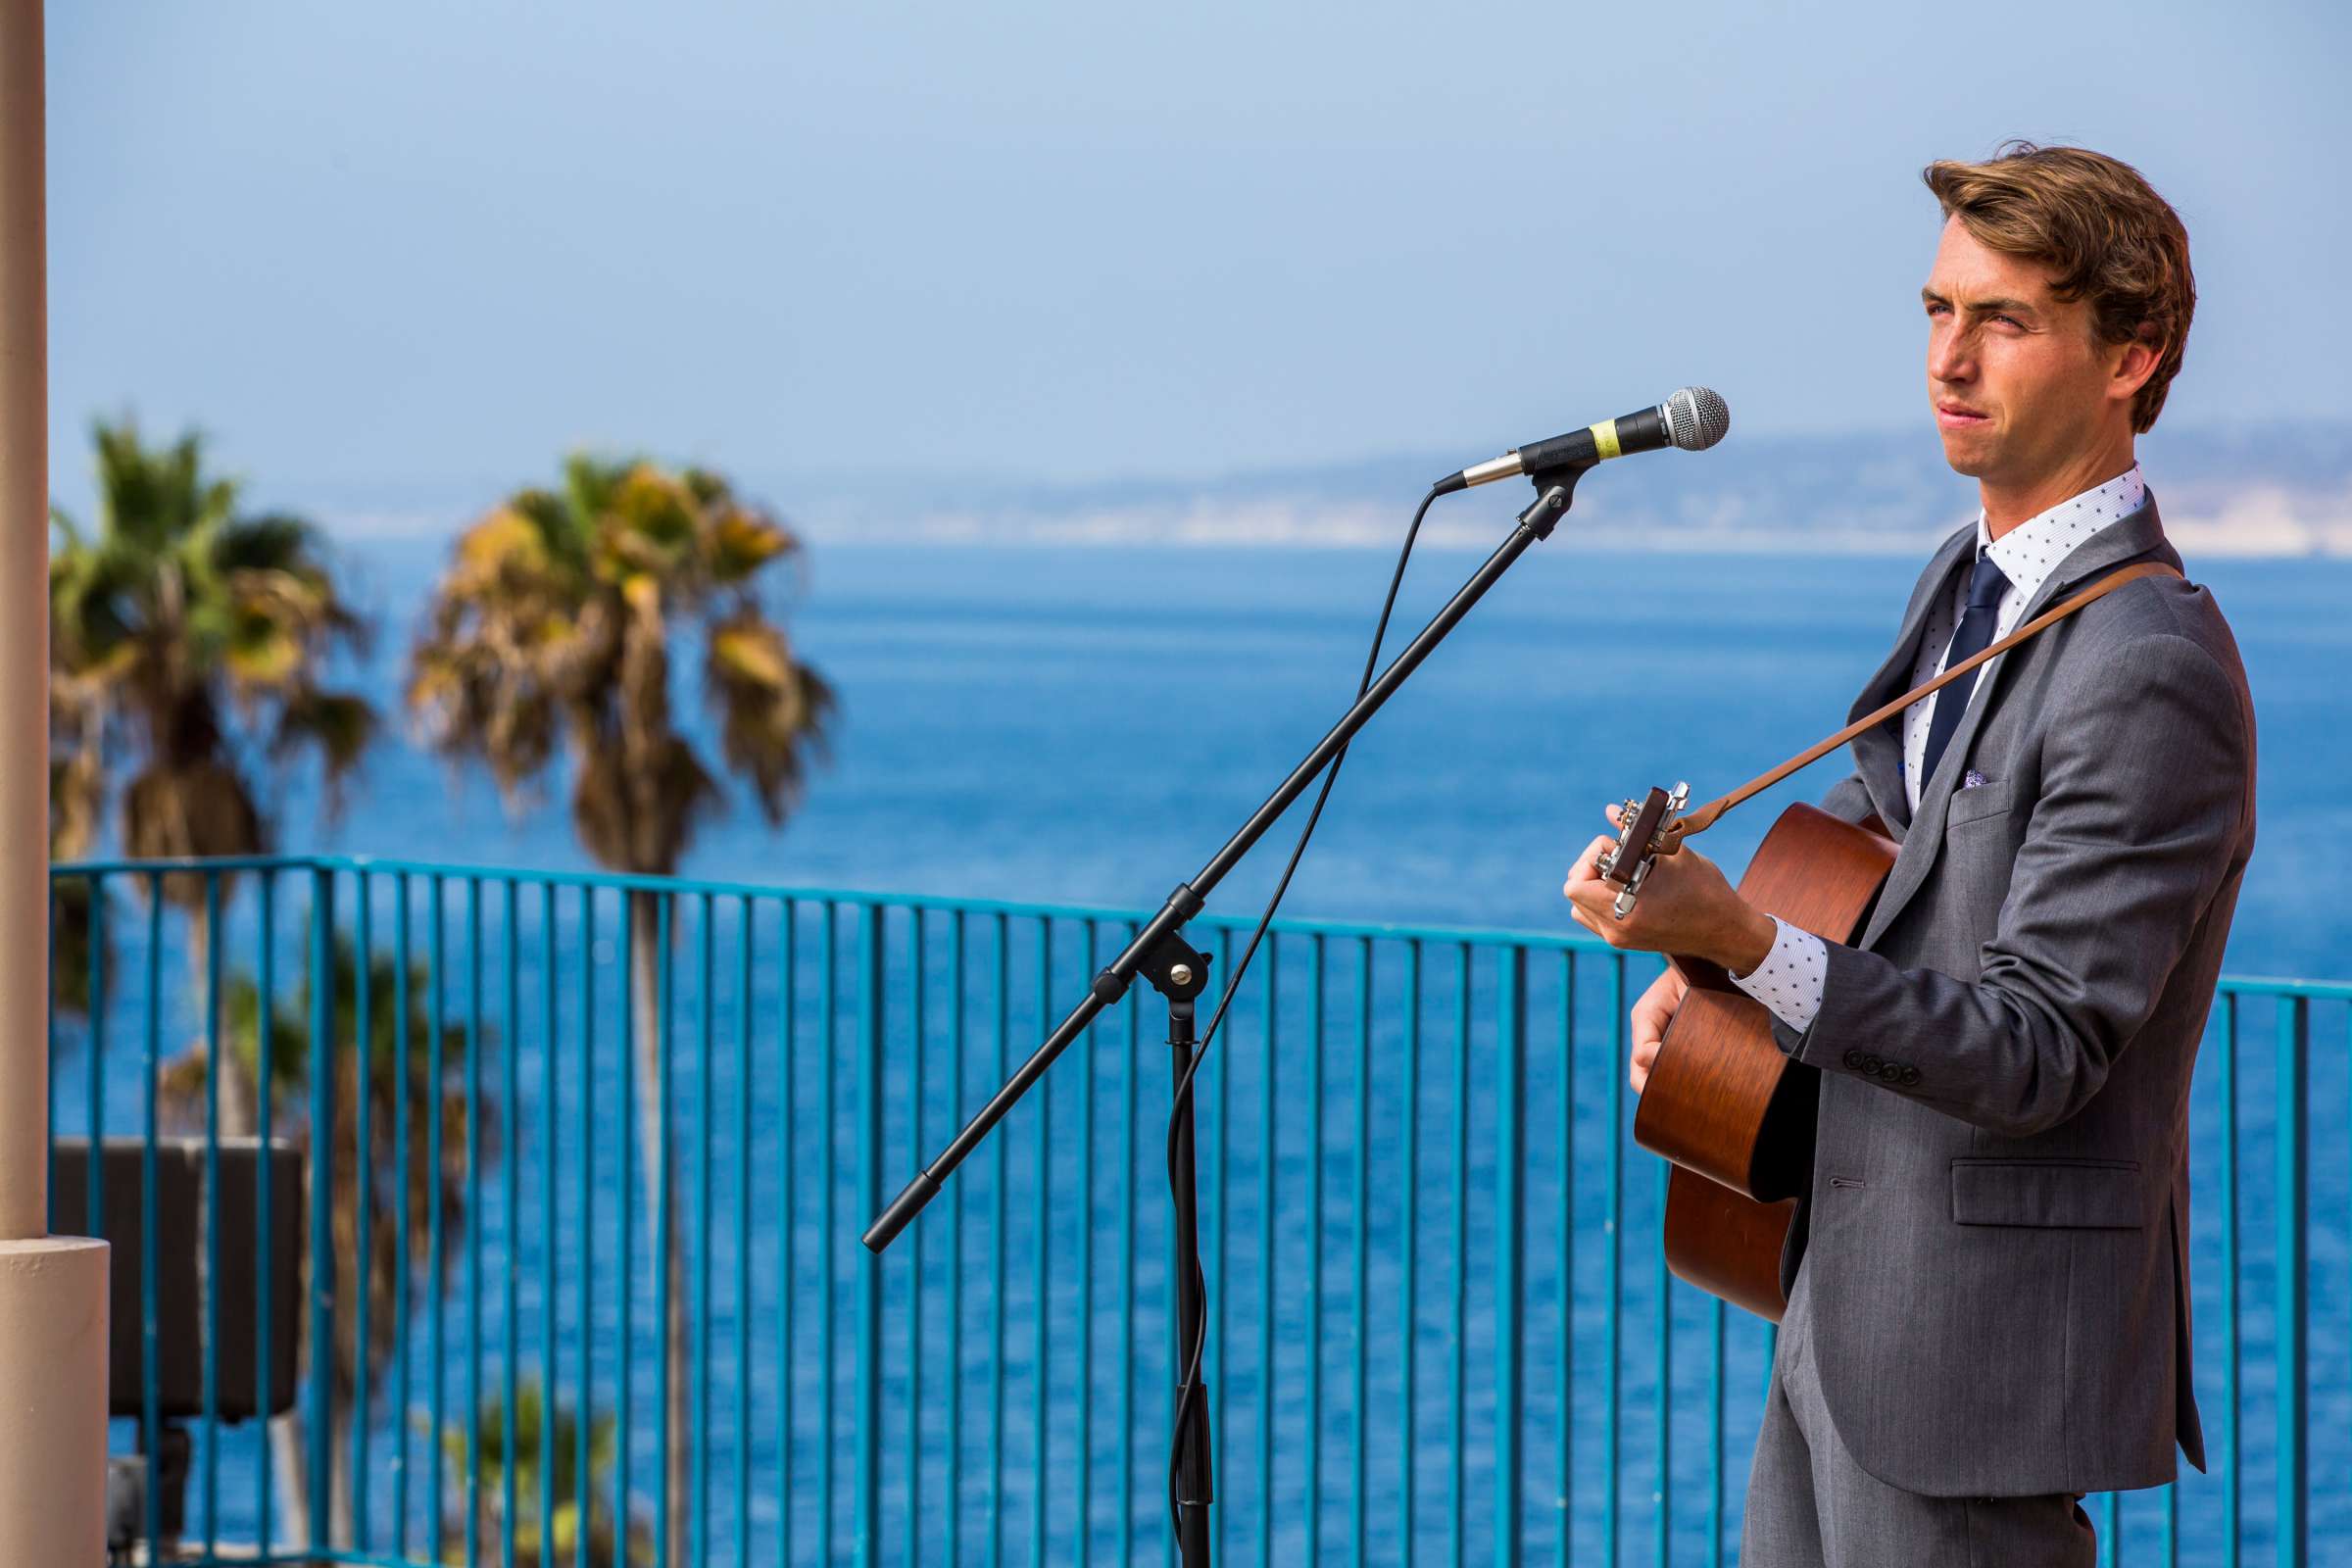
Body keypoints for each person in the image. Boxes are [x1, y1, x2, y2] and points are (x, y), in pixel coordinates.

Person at [1558, 142, 2255, 1568]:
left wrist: (1752, 947)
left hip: (1981, 1356)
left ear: (2133, 357)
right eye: (1938, 311)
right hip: (1839, 1295)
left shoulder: (2149, 663)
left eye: (2005, 321)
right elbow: (1893, 858)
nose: (1952, 355)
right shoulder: (1964, 578)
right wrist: (1712, 976)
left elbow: (2041, 1046)